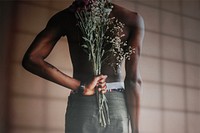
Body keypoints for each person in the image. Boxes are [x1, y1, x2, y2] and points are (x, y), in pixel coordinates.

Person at [22, 0, 144, 133]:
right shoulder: (131, 19)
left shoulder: (67, 17)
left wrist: (80, 86)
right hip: (117, 106)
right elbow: (133, 81)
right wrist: (136, 130)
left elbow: (31, 59)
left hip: (82, 103)